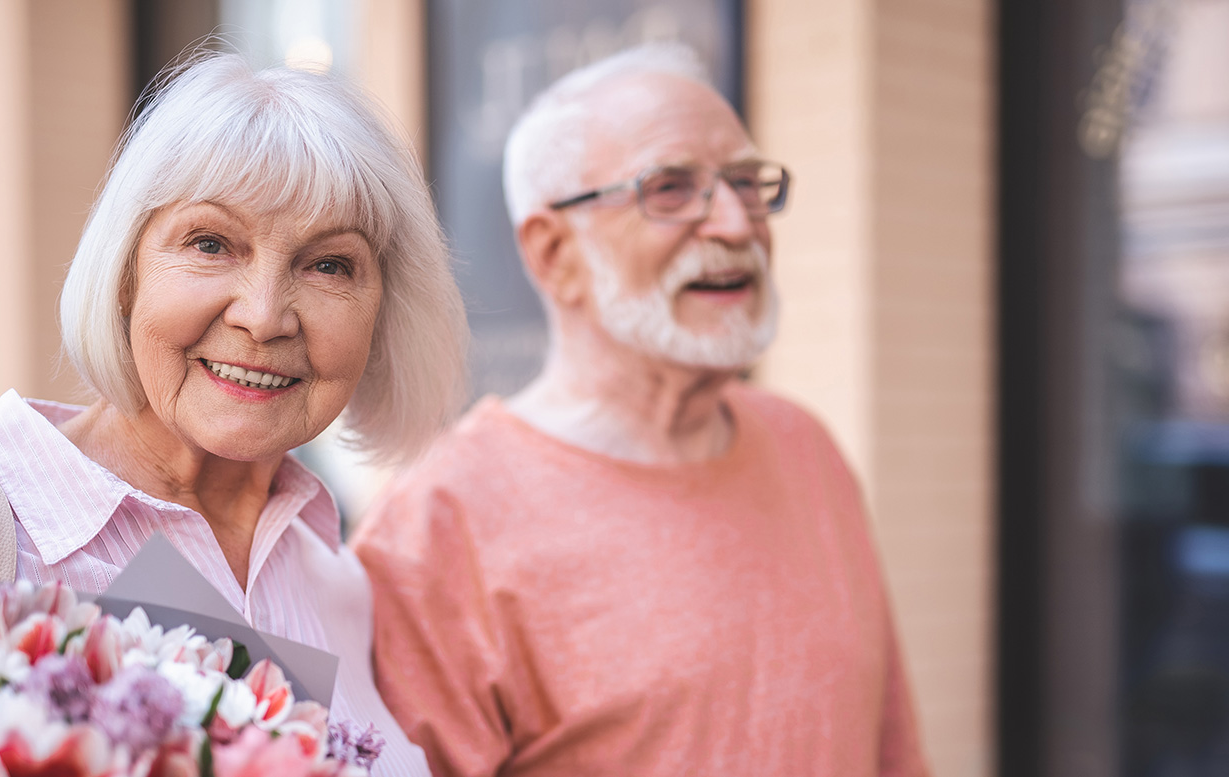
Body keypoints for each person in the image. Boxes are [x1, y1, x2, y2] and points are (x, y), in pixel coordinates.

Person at [0, 52, 466, 776]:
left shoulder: (336, 584)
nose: (265, 315)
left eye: (329, 264)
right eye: (210, 244)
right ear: (124, 277)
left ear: (382, 316)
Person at [352, 43, 929, 777]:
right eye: (671, 188)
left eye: (747, 184)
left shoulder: (806, 446)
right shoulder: (437, 528)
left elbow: (895, 752)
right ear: (554, 252)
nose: (736, 224)